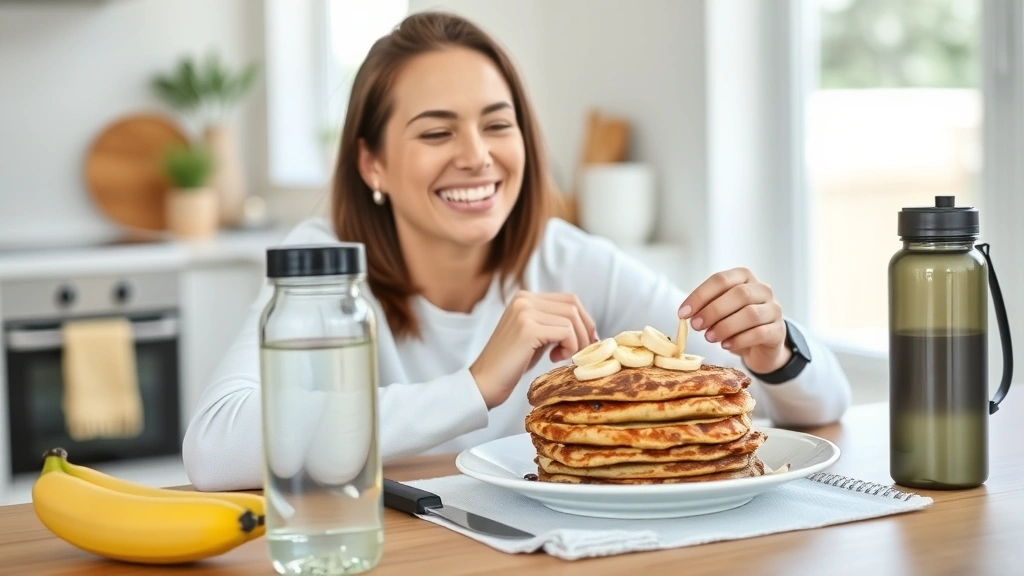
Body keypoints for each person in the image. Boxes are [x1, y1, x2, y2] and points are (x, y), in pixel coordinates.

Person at [182, 11, 851, 492]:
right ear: (372, 163)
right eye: (436, 132)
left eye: (498, 125)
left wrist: (773, 351)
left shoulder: (568, 258)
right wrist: (475, 385)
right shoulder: (322, 264)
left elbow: (819, 410)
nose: (477, 156)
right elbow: (214, 449)